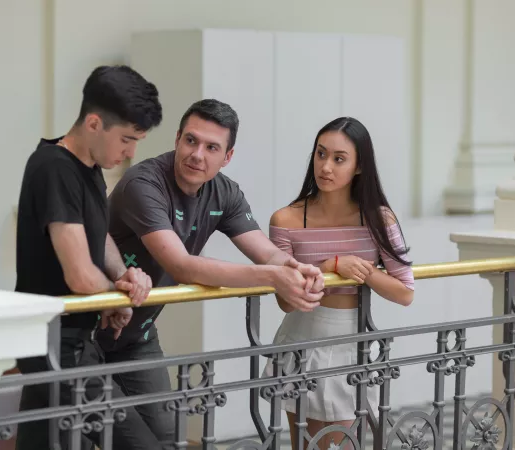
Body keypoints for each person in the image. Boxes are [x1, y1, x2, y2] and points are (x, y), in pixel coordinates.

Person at [100, 98, 327, 447]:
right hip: (86, 332)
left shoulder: (225, 192)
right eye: (191, 140)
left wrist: (294, 266)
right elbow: (182, 264)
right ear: (177, 139)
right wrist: (271, 277)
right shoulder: (143, 183)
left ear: (227, 157)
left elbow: (265, 252)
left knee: (168, 438)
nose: (197, 154)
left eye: (211, 147)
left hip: (137, 336)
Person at [14, 65, 162, 450]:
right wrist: (117, 292)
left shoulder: (90, 166)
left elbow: (98, 237)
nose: (131, 152)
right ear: (94, 123)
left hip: (71, 341)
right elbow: (80, 275)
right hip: (57, 348)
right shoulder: (54, 168)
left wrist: (122, 274)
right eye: (127, 139)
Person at [263, 117, 415, 450]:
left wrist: (363, 271)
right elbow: (286, 301)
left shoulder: (378, 218)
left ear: (360, 167)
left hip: (353, 342)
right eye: (320, 154)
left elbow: (405, 292)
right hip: (302, 339)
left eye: (339, 158)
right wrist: (330, 266)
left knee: (348, 444)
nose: (326, 166)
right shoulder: (285, 220)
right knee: (306, 446)